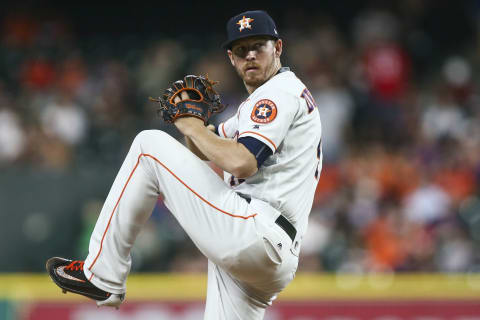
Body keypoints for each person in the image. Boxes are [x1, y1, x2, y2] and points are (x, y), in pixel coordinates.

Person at [46, 10, 322, 319]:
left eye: (259, 45)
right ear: (232, 58)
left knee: (148, 146)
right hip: (269, 253)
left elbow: (242, 162)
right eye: (242, 50)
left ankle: (103, 277)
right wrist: (194, 122)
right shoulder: (267, 99)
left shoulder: (278, 92)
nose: (251, 55)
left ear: (278, 48)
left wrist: (190, 125)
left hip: (255, 232)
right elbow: (208, 148)